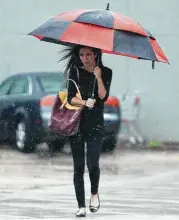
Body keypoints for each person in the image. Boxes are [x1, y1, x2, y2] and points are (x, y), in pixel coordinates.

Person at [60, 44, 112, 217]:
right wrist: (83, 103)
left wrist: (98, 77)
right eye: (82, 55)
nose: (85, 58)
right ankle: (81, 206)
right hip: (76, 125)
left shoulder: (106, 72)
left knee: (93, 164)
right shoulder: (74, 72)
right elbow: (70, 98)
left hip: (96, 125)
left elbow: (103, 96)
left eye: (88, 54)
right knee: (79, 167)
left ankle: (94, 194)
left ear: (96, 54)